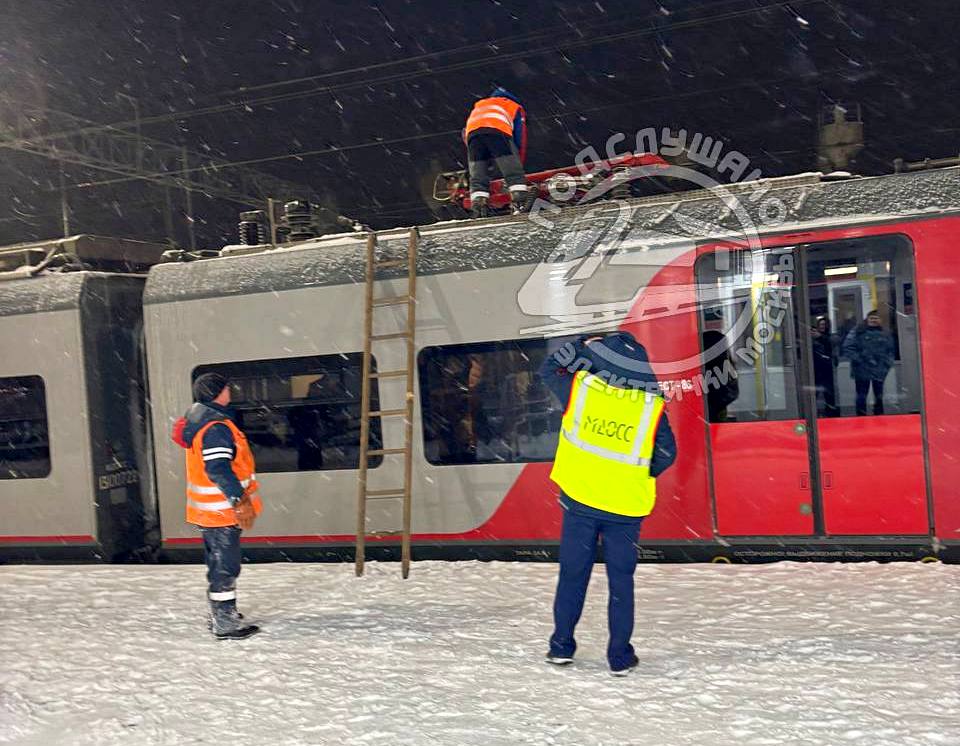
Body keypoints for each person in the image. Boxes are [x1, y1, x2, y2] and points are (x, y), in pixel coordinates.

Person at [539, 331, 677, 676]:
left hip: (581, 500)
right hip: (625, 507)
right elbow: (666, 453)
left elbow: (548, 368)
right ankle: (619, 657)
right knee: (621, 581)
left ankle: (561, 646)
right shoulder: (650, 407)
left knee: (572, 575)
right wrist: (637, 472)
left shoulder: (580, 391)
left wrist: (583, 343)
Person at [171, 372, 262, 639]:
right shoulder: (215, 428)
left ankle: (221, 612)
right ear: (218, 393)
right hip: (222, 510)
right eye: (226, 389)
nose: (229, 392)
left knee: (218, 562)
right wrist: (239, 499)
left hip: (211, 512)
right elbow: (218, 469)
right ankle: (224, 621)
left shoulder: (203, 423)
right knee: (225, 566)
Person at [463, 86, 529, 218]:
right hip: (498, 131)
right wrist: (517, 161)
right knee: (513, 172)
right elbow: (520, 136)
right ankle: (520, 202)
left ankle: (479, 206)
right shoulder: (513, 106)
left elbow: (465, 133)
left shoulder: (480, 104)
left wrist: (483, 156)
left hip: (473, 136)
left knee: (478, 176)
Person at [841, 310, 895, 416]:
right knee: (861, 396)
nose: (873, 320)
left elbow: (891, 350)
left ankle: (879, 417)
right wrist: (860, 360)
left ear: (880, 320)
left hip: (879, 369)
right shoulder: (857, 331)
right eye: (871, 318)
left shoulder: (885, 333)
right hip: (862, 370)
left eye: (876, 318)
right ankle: (861, 418)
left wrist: (887, 364)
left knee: (879, 396)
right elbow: (847, 347)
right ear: (867, 319)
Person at [811, 316, 839, 416]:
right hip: (814, 369)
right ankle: (813, 413)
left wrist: (820, 337)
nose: (822, 326)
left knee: (829, 393)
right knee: (814, 393)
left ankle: (830, 412)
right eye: (821, 325)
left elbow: (832, 344)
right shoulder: (812, 339)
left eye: (824, 324)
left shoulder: (831, 337)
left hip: (827, 369)